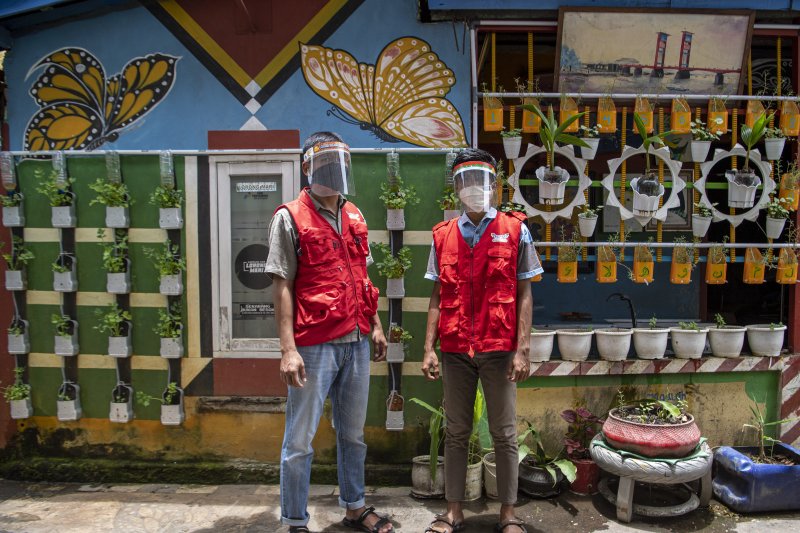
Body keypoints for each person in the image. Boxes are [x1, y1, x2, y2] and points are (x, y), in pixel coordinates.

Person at [267, 131, 393, 533]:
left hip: (355, 340)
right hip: (314, 343)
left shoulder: (355, 215)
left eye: (338, 164)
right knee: (299, 440)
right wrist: (288, 351)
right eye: (323, 164)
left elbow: (362, 276)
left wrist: (374, 325)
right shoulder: (289, 217)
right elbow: (282, 284)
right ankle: (294, 521)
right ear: (309, 169)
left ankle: (354, 505)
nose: (332, 172)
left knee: (353, 434)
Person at [421, 148, 542, 533]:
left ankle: (509, 514)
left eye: (480, 179)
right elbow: (437, 296)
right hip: (455, 349)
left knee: (504, 433)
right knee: (456, 431)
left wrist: (523, 350)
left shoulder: (515, 229)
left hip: (499, 348)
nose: (474, 187)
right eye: (466, 180)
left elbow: (525, 293)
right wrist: (428, 348)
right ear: (457, 187)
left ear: (493, 185)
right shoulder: (442, 236)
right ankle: (453, 510)